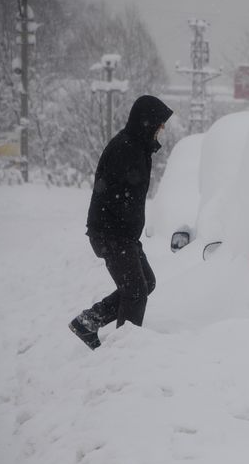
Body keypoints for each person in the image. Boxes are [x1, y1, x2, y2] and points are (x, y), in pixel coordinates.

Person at [69, 95, 173, 350]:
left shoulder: (138, 146)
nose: (162, 129)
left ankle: (87, 323)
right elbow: (112, 192)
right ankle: (123, 350)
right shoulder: (125, 148)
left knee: (146, 283)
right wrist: (120, 227)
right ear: (146, 123)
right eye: (159, 124)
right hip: (111, 233)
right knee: (135, 290)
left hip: (122, 235)